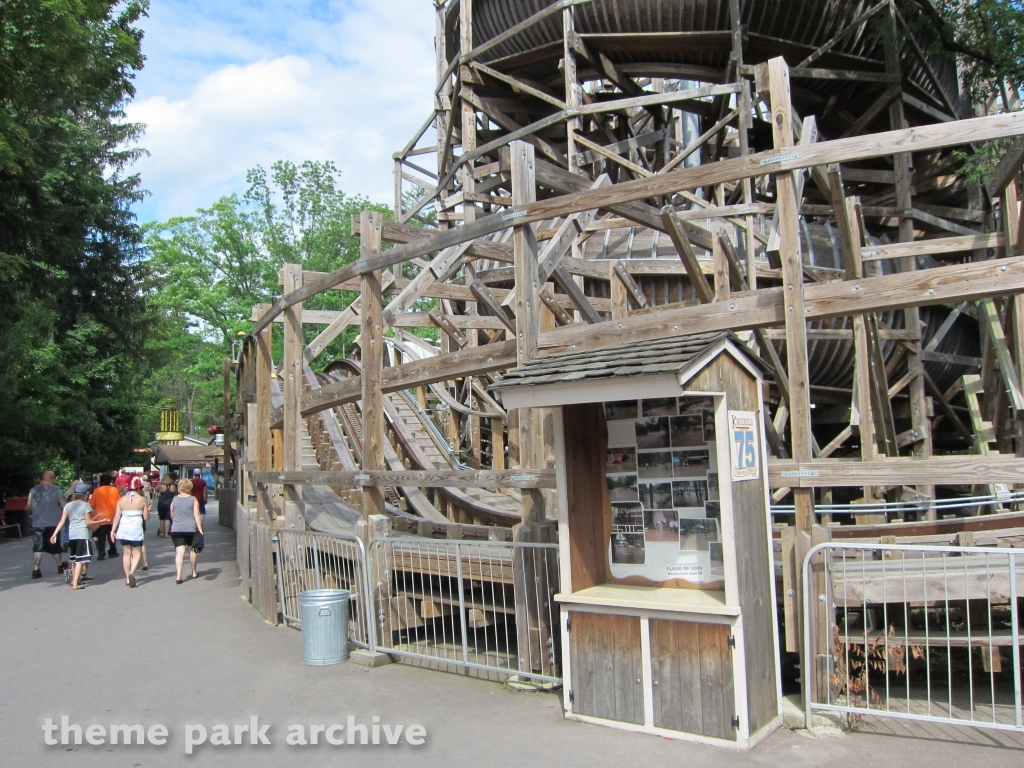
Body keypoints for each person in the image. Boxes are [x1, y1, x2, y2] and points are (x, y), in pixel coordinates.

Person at [49, 483, 100, 589]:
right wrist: (101, 520)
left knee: (74, 559)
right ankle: (76, 583)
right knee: (80, 560)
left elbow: (62, 521)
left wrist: (54, 534)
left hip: (72, 534)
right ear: (84, 495)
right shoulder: (86, 505)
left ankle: (74, 580)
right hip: (82, 534)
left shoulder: (68, 505)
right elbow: (88, 522)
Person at [27, 471, 67, 579]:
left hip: (38, 523)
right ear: (52, 478)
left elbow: (28, 505)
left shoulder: (33, 490)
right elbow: (63, 505)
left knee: (38, 547)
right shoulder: (57, 490)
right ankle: (60, 565)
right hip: (53, 523)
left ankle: (36, 570)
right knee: (54, 545)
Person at [110, 477, 149, 587]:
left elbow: (117, 516)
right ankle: (132, 571)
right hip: (136, 528)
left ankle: (127, 577)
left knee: (126, 553)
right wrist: (148, 509)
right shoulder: (142, 499)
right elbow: (146, 518)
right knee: (137, 552)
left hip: (123, 529)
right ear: (138, 487)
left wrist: (113, 530)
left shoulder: (122, 499)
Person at [170, 479, 203, 584]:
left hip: (176, 528)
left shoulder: (174, 499)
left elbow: (172, 514)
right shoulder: (193, 499)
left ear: (179, 487)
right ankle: (194, 572)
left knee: (179, 552)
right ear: (189, 488)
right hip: (190, 528)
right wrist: (200, 529)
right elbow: (196, 514)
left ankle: (179, 576)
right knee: (192, 550)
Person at [88, 474, 120, 560]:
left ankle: (101, 554)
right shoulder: (114, 490)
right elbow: (118, 503)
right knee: (111, 535)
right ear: (110, 481)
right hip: (112, 516)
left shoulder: (97, 491)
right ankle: (112, 552)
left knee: (101, 537)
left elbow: (92, 504)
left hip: (100, 517)